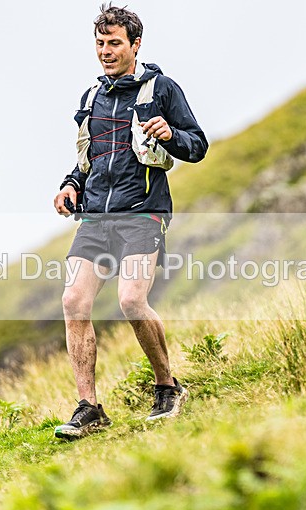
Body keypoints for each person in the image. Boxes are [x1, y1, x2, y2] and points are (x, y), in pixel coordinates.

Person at [52, 3, 208, 440]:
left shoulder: (162, 89)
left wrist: (170, 135)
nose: (105, 51)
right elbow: (87, 160)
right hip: (96, 218)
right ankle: (89, 408)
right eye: (100, 43)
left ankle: (168, 388)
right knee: (73, 302)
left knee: (131, 302)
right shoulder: (91, 98)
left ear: (135, 45)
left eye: (114, 43)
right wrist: (69, 186)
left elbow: (197, 146)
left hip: (143, 214)